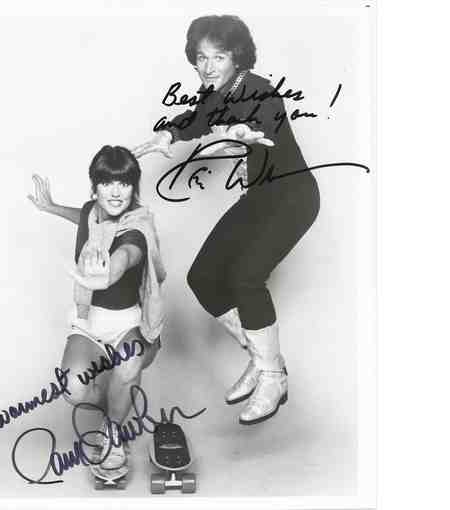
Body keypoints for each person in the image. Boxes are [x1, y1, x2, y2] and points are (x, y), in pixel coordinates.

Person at [133, 15, 320, 425]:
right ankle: (263, 357)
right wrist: (169, 134)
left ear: (237, 56)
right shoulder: (219, 91)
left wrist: (243, 131)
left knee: (246, 277)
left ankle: (273, 377)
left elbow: (265, 116)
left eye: (218, 57)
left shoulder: (259, 88)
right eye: (201, 57)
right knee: (202, 277)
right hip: (261, 198)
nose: (208, 66)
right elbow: (198, 118)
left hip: (294, 198)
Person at [28, 145, 165, 468]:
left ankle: (113, 430)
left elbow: (127, 254)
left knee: (129, 363)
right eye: (107, 183)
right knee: (73, 390)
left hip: (128, 325)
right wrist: (52, 207)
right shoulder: (94, 211)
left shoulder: (137, 228)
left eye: (124, 183)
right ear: (95, 187)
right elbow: (85, 216)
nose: (116, 192)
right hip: (89, 322)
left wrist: (106, 276)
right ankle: (117, 399)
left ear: (134, 187)